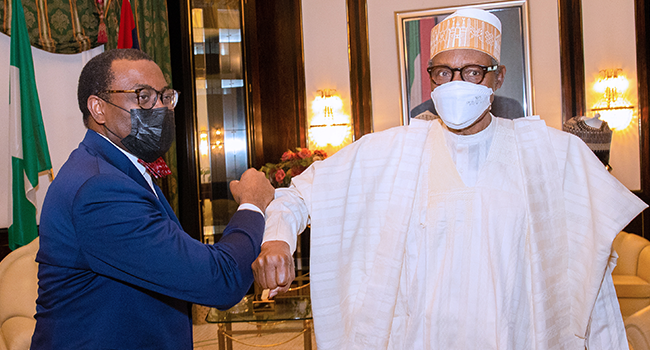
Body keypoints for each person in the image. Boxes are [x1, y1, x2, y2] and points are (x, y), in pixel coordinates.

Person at [252, 8, 648, 350]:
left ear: (498, 77)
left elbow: (590, 276)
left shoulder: (547, 154)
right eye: (444, 71)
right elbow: (298, 197)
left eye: (472, 71)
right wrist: (277, 238)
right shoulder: (394, 152)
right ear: (431, 79)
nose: (457, 83)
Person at [31, 48, 275, 349]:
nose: (160, 108)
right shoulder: (99, 188)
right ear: (98, 108)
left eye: (164, 96)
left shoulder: (115, 169)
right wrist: (252, 204)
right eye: (143, 96)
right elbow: (220, 282)